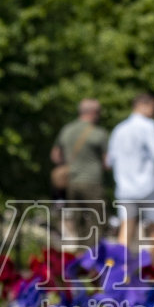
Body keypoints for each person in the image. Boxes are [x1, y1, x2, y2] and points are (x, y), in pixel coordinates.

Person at [107, 93, 154, 254]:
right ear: (144, 105)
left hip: (125, 186)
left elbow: (109, 161)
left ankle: (121, 270)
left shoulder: (119, 129)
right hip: (148, 185)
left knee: (126, 227)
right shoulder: (149, 126)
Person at [52, 98, 109, 244]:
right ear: (93, 113)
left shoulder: (67, 130)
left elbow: (55, 156)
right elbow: (107, 162)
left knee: (78, 223)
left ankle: (80, 255)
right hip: (92, 182)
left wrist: (71, 164)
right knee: (97, 221)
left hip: (72, 182)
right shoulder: (98, 133)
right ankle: (93, 258)